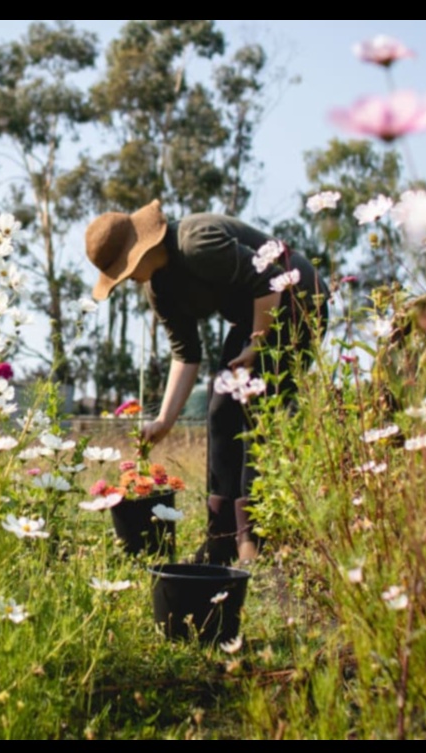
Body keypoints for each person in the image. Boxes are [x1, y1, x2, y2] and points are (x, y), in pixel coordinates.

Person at [87, 199, 327, 567]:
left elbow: (268, 280)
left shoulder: (196, 243)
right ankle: (221, 537)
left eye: (125, 270)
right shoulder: (160, 290)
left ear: (142, 251)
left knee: (257, 410)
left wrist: (257, 344)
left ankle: (254, 539)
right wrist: (164, 420)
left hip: (295, 300)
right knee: (219, 412)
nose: (127, 279)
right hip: (252, 318)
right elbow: (185, 354)